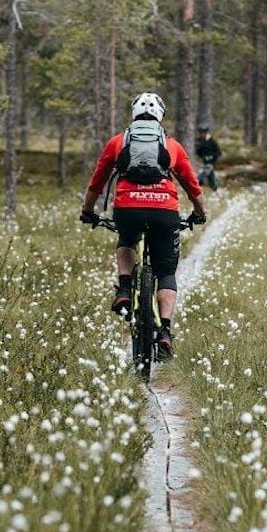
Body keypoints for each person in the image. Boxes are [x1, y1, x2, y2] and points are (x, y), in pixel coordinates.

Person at [80, 92, 206, 357]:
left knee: (126, 239)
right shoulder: (172, 145)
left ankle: (124, 287)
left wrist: (88, 211)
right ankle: (165, 330)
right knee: (166, 272)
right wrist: (199, 212)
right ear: (160, 115)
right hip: (164, 212)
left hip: (128, 209)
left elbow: (97, 182)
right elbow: (192, 186)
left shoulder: (118, 142)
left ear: (134, 113)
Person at [194, 124, 221, 190]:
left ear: (206, 132)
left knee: (206, 172)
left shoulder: (212, 141)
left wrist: (212, 157)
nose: (201, 134)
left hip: (211, 162)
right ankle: (214, 188)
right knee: (210, 175)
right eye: (200, 132)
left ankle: (197, 182)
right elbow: (198, 152)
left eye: (203, 132)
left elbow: (218, 152)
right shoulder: (199, 141)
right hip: (204, 161)